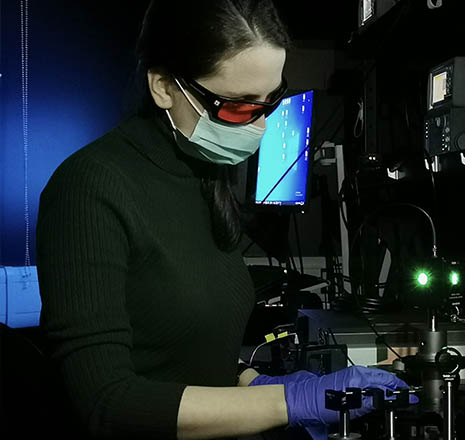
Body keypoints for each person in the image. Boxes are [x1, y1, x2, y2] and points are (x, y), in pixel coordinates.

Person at [35, 1, 413, 438]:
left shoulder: (205, 172)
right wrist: (287, 402)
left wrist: (253, 380)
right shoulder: (88, 188)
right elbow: (107, 403)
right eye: (238, 107)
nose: (260, 126)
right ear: (163, 87)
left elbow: (181, 350)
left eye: (270, 101)